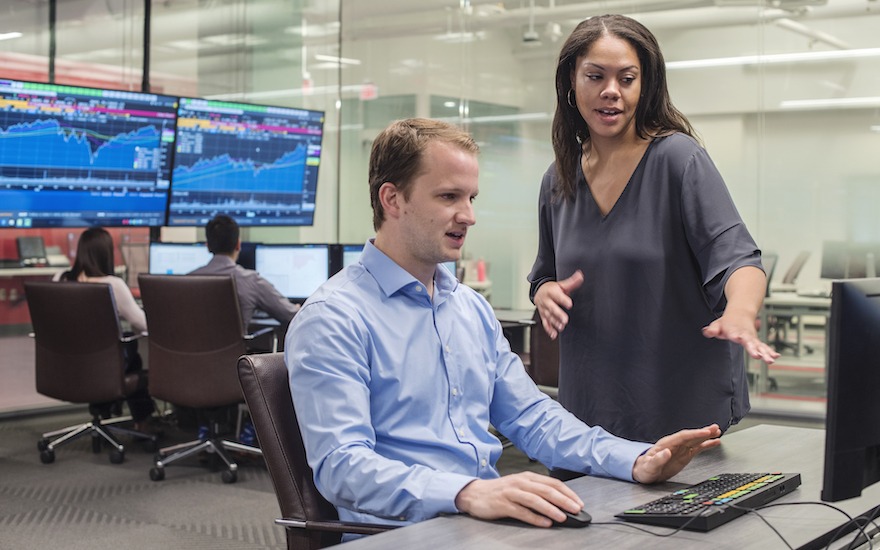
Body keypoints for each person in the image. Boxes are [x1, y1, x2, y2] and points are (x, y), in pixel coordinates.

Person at [285, 118, 722, 534]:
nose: (469, 216)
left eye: (471, 198)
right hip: (402, 534)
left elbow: (533, 419)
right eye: (448, 197)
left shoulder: (468, 309)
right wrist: (467, 493)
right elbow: (343, 466)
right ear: (392, 199)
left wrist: (637, 459)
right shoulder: (333, 317)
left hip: (480, 526)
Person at [528, 14, 779, 447]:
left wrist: (738, 312)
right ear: (572, 81)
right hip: (588, 419)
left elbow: (738, 258)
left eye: (627, 78)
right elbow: (543, 273)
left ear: (645, 87)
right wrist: (544, 292)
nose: (612, 91)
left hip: (676, 415)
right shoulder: (559, 179)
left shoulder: (677, 160)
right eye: (596, 76)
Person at [55, 227, 155, 429]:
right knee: (131, 351)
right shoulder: (113, 284)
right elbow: (142, 325)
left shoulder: (60, 279)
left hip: (68, 365)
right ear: (106, 253)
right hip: (104, 367)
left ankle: (105, 409)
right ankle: (142, 421)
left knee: (122, 351)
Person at [188, 214, 298, 331]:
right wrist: (296, 308)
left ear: (208, 246)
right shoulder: (251, 280)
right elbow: (290, 315)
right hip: (234, 349)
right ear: (238, 245)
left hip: (188, 349)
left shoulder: (186, 282)